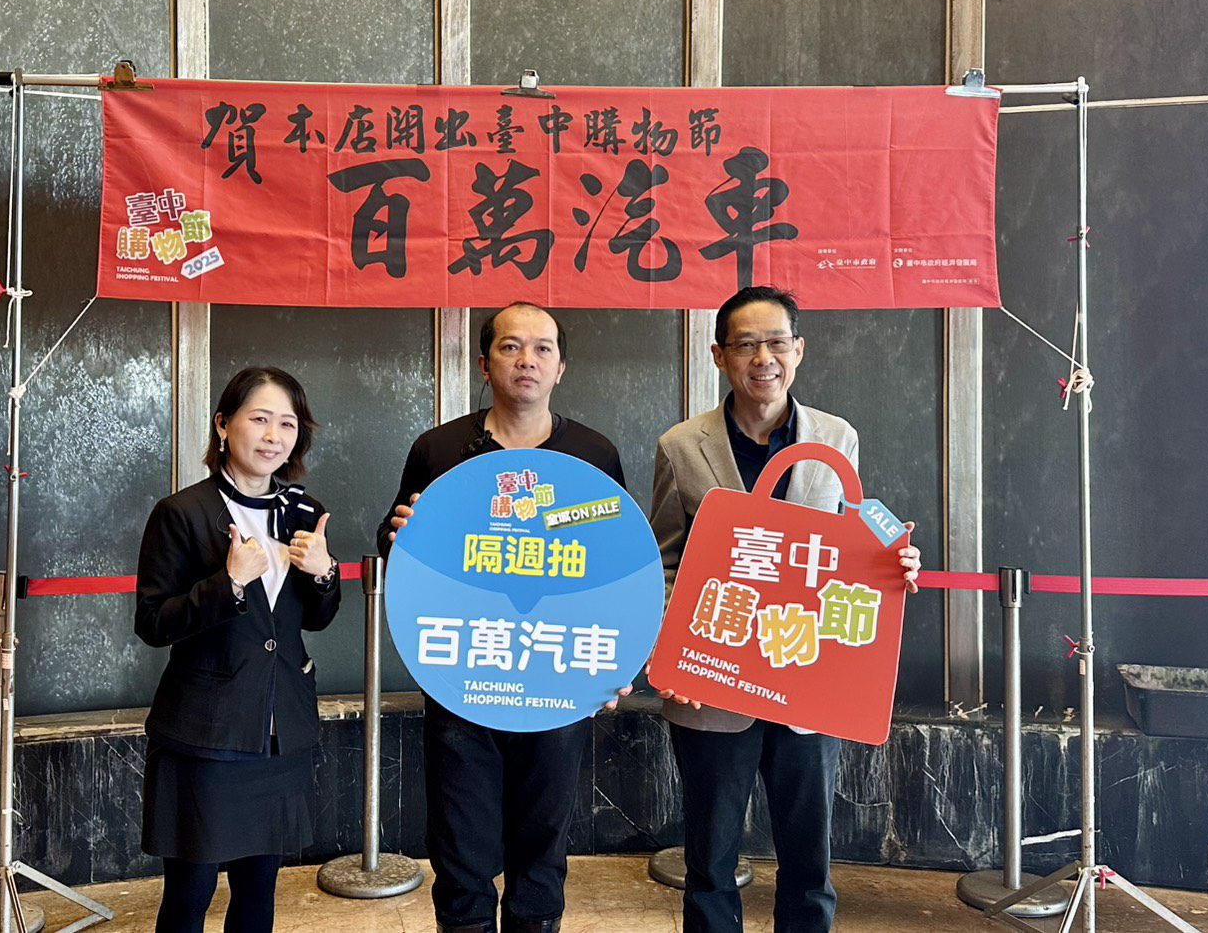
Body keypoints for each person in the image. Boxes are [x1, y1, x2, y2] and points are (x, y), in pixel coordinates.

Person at [649, 286, 922, 933]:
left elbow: (852, 542)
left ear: (798, 350)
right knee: (710, 860)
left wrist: (895, 563)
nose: (762, 358)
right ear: (719, 355)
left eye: (776, 342)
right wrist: (673, 656)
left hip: (808, 679)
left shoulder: (836, 437)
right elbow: (665, 562)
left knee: (808, 860)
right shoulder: (680, 446)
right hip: (713, 681)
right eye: (745, 344)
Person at [378, 303, 627, 933]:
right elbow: (400, 545)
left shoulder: (593, 454)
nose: (527, 361)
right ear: (485, 364)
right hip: (463, 670)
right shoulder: (438, 450)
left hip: (557, 673)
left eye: (543, 349)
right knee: (459, 840)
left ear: (561, 367)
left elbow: (618, 569)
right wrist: (397, 533)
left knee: (543, 839)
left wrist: (619, 657)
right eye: (511, 347)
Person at [135, 366, 341, 933]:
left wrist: (324, 573)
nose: (274, 436)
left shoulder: (305, 513)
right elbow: (152, 622)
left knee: (259, 891)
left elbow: (317, 618)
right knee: (191, 893)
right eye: (260, 419)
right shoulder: (182, 513)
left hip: (279, 730)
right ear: (223, 425)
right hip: (206, 733)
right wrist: (227, 583)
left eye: (288, 424)